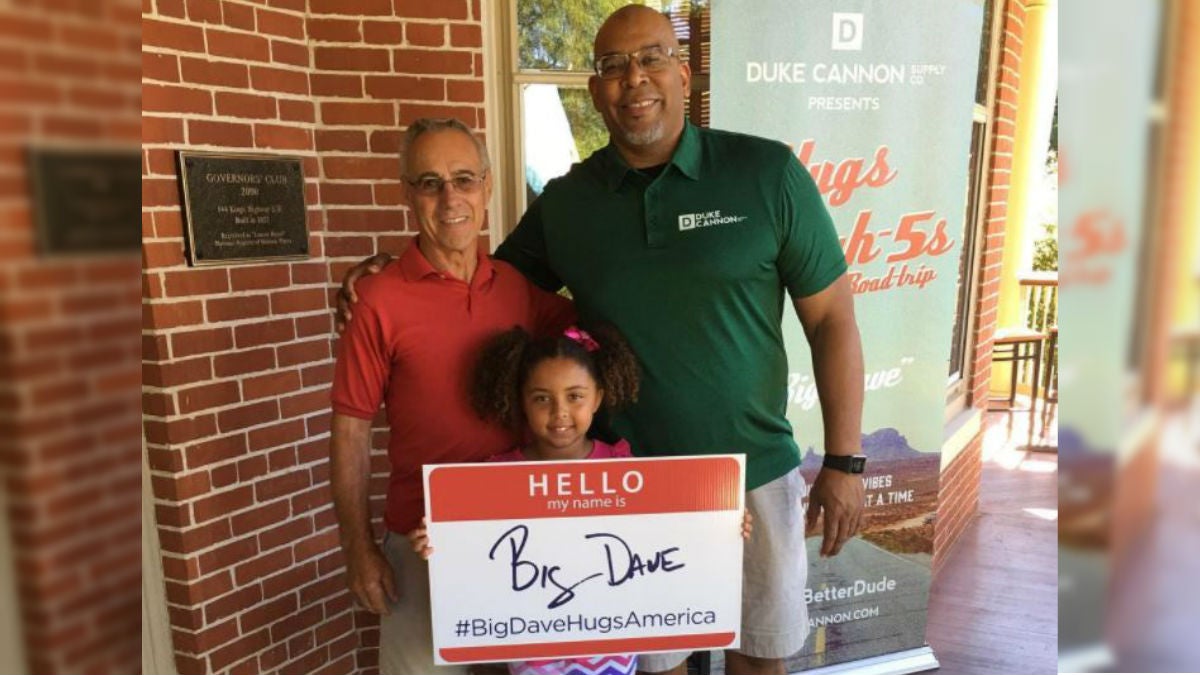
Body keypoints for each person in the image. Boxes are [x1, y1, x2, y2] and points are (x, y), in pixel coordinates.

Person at [338, 7, 866, 675]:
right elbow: (471, 273)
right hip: (626, 490)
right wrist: (385, 273)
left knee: (760, 661)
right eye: (612, 67)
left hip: (752, 473)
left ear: (683, 70)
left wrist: (845, 461)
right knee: (657, 668)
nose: (634, 79)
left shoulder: (767, 173)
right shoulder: (568, 202)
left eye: (650, 58)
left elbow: (833, 320)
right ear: (595, 91)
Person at [328, 117, 573, 675]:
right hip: (420, 547)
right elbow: (351, 432)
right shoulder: (378, 300)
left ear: (487, 186)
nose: (450, 198)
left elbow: (596, 338)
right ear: (407, 193)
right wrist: (358, 548)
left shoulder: (515, 289)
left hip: (520, 541)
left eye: (463, 179)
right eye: (430, 183)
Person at [407, 323, 752, 675]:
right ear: (521, 401)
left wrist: (720, 525)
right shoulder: (497, 476)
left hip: (609, 651)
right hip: (532, 651)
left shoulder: (623, 468)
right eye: (542, 398)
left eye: (575, 396)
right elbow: (474, 560)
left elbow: (664, 539)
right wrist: (439, 545)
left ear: (598, 398)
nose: (559, 413)